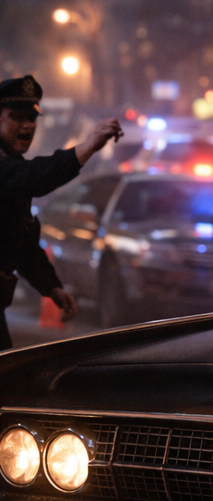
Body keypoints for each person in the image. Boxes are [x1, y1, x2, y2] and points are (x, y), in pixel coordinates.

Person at [0, 75, 122, 349]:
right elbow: (34, 176)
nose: (27, 126)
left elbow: (21, 241)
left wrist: (51, 287)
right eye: (17, 117)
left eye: (31, 119)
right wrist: (88, 146)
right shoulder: (11, 170)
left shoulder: (12, 165)